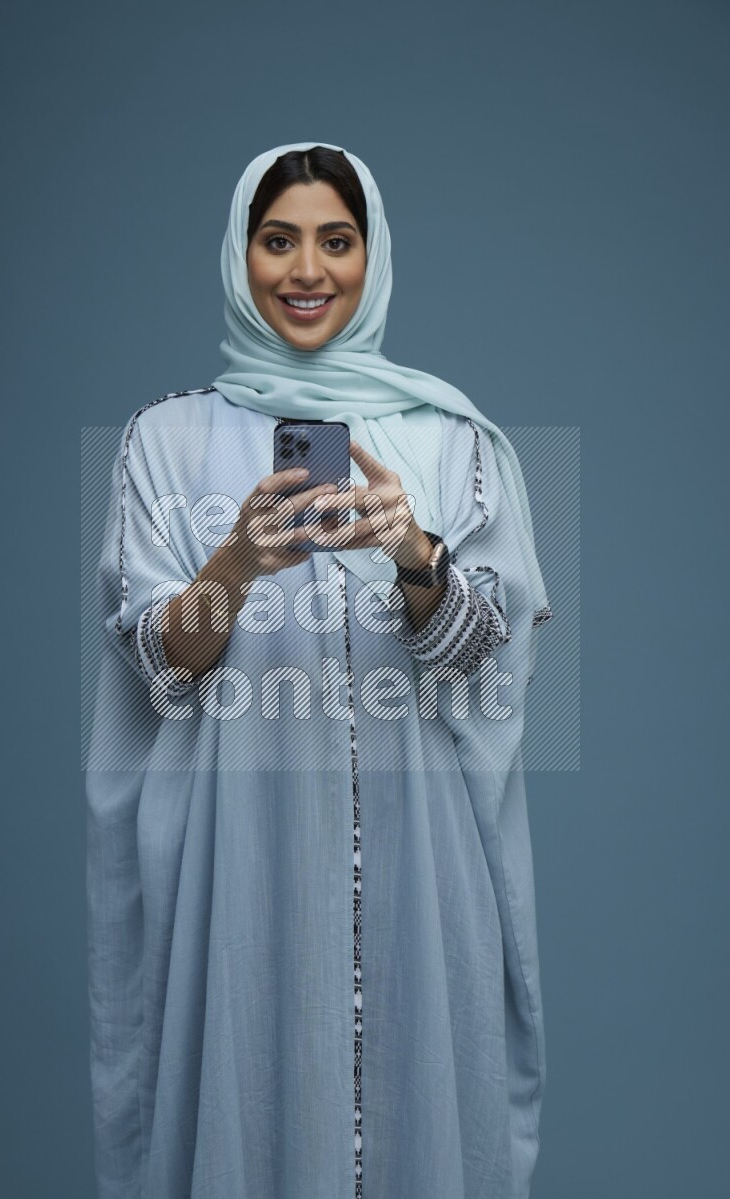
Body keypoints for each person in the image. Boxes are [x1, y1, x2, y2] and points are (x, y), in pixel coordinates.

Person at [85, 141, 554, 1199]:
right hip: (236, 855)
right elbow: (161, 662)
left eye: (335, 241)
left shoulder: (445, 436)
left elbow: (483, 657)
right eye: (277, 239)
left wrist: (412, 554)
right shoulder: (166, 438)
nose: (306, 271)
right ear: (239, 255)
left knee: (421, 1111)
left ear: (372, 253)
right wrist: (236, 559)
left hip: (419, 853)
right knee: (244, 1101)